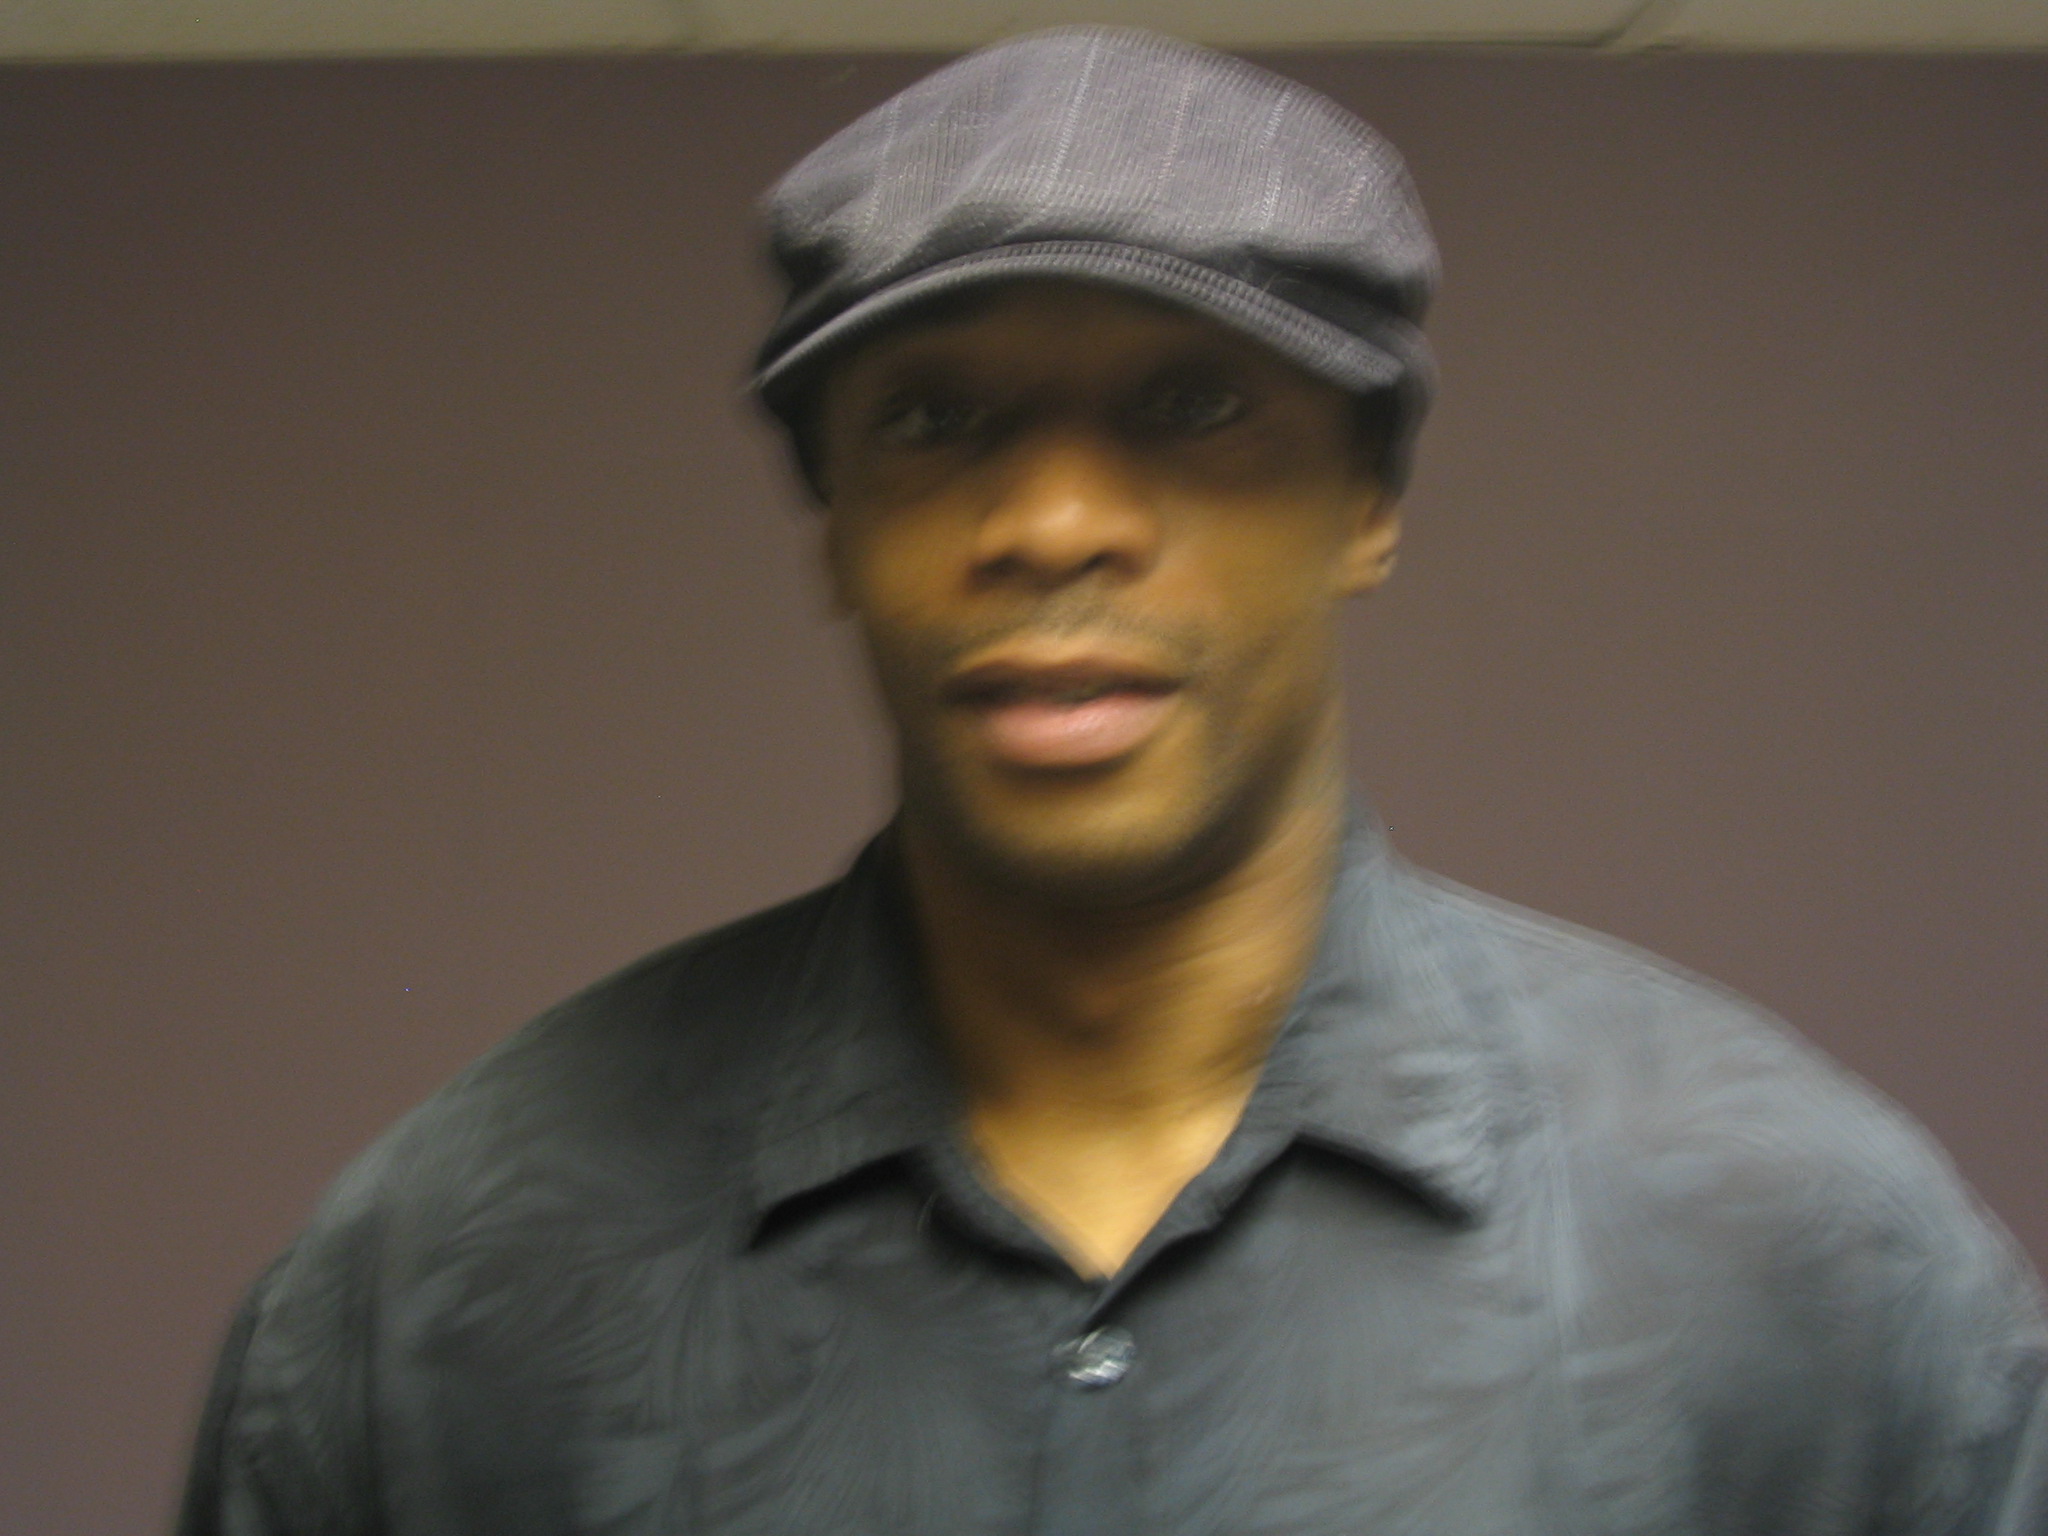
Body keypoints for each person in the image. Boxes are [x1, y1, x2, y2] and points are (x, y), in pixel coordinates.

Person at [178, 26, 2047, 1536]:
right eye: (937, 418)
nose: (1056, 521)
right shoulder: (440, 1296)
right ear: (837, 528)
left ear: (1368, 504)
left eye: (1193, 404)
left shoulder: (1808, 1269)